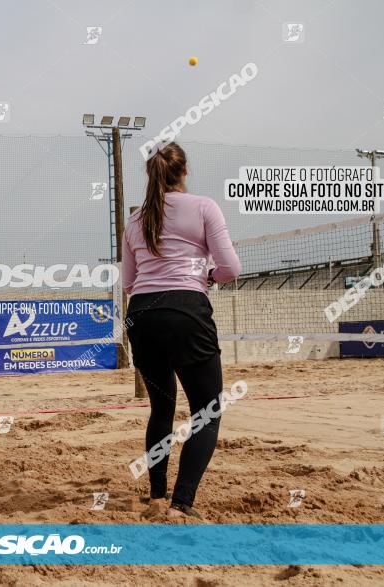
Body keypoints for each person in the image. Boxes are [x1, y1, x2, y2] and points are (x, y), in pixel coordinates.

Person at [122, 142, 241, 518]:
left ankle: (157, 498)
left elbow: (129, 282)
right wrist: (207, 275)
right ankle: (181, 504)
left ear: (150, 174)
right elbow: (231, 269)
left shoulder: (135, 220)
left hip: (141, 314)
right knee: (207, 411)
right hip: (186, 309)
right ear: (185, 171)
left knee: (162, 408)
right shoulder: (204, 206)